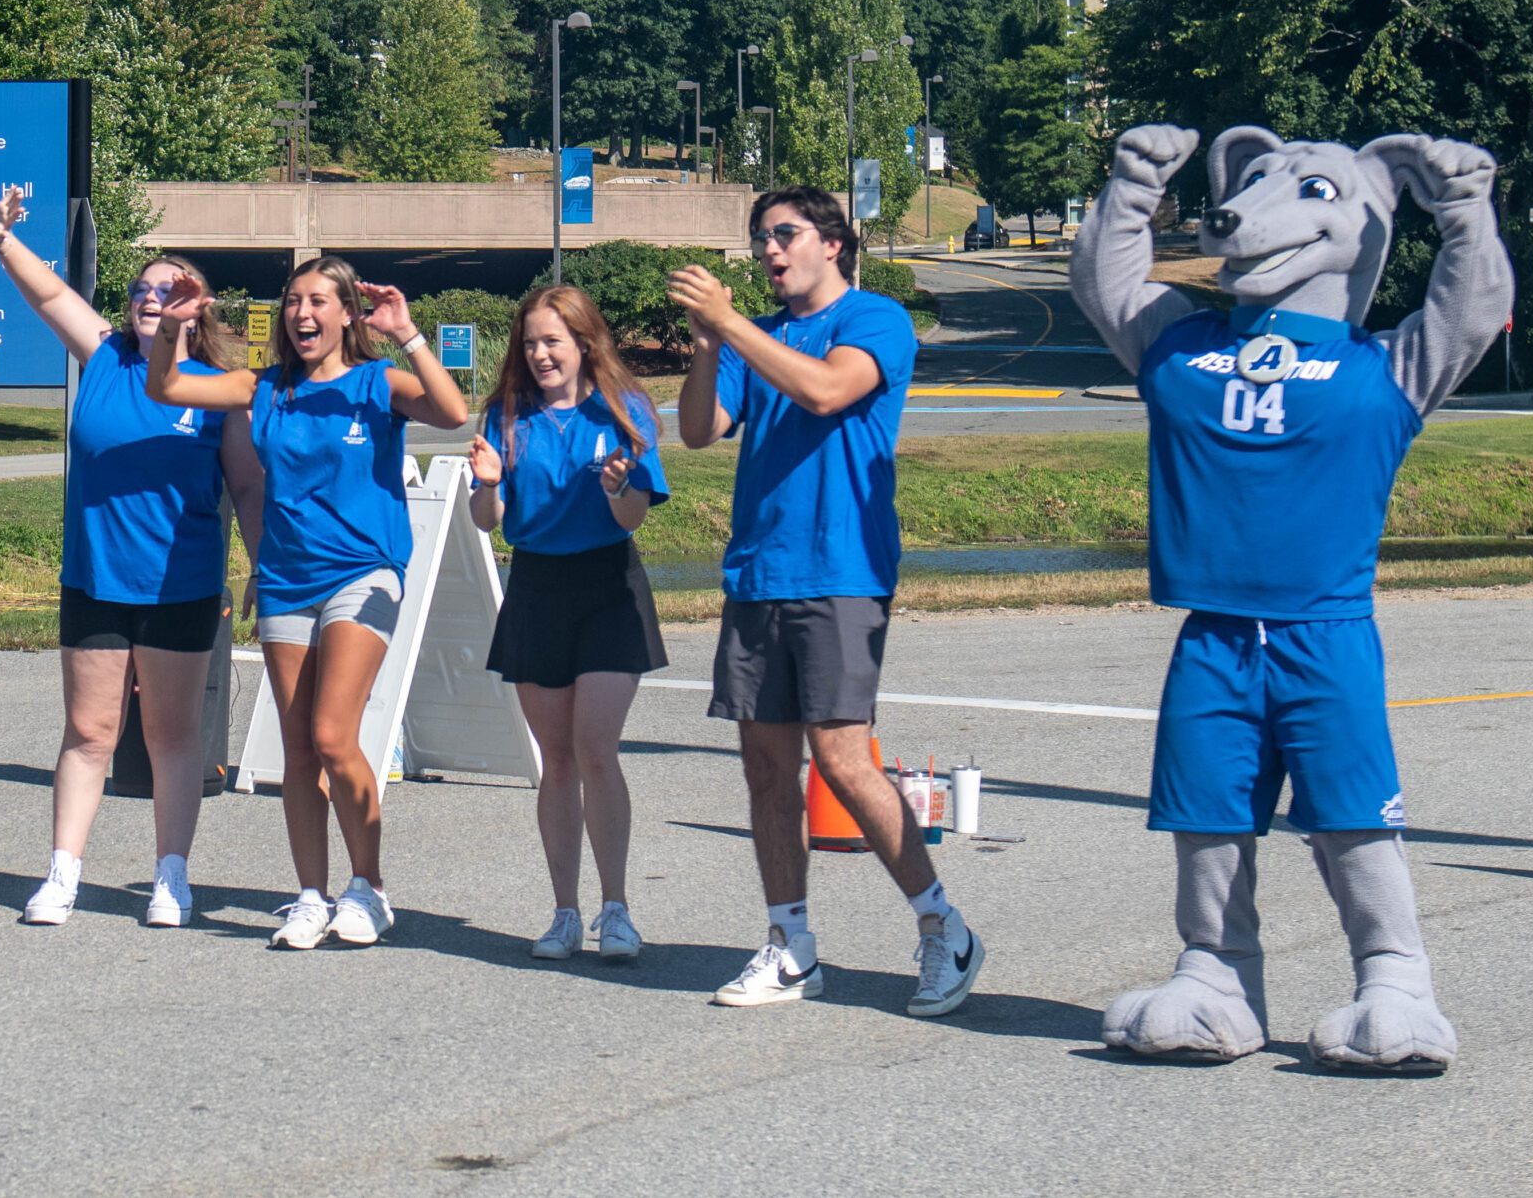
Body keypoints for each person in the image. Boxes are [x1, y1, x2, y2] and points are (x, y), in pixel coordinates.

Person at [673, 185, 981, 1016]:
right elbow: (699, 429)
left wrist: (731, 323)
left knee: (844, 760)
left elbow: (825, 392)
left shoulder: (875, 319)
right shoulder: (752, 335)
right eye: (759, 236)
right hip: (758, 572)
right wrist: (708, 345)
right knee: (767, 769)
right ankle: (791, 944)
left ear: (833, 243)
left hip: (842, 571)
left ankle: (941, 925)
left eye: (785, 233)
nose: (770, 248)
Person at [146, 256, 469, 948]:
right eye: (293, 301)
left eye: (319, 301)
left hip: (366, 572)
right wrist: (175, 327)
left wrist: (409, 333)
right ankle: (312, 894)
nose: (302, 314)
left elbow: (452, 411)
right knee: (298, 750)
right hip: (288, 579)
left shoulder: (375, 383)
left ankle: (369, 885)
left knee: (331, 733)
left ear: (348, 313)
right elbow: (168, 385)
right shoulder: (265, 388)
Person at [0, 187, 264, 927]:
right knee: (88, 733)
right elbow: (47, 292)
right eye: (141, 288)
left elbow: (245, 484)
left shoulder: (218, 390)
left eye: (166, 290)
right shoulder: (104, 354)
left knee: (172, 736)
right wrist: (2, 237)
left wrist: (267, 567)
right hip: (96, 579)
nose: (148, 298)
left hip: (181, 584)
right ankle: (62, 873)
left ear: (194, 307)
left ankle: (171, 877)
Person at [466, 285, 670, 964]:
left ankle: (617, 909)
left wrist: (620, 487)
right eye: (530, 341)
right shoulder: (505, 414)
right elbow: (484, 521)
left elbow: (634, 517)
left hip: (609, 584)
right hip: (536, 587)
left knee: (594, 747)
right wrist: (489, 483)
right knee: (556, 760)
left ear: (584, 341)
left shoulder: (623, 409)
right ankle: (564, 911)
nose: (539, 353)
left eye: (552, 339)